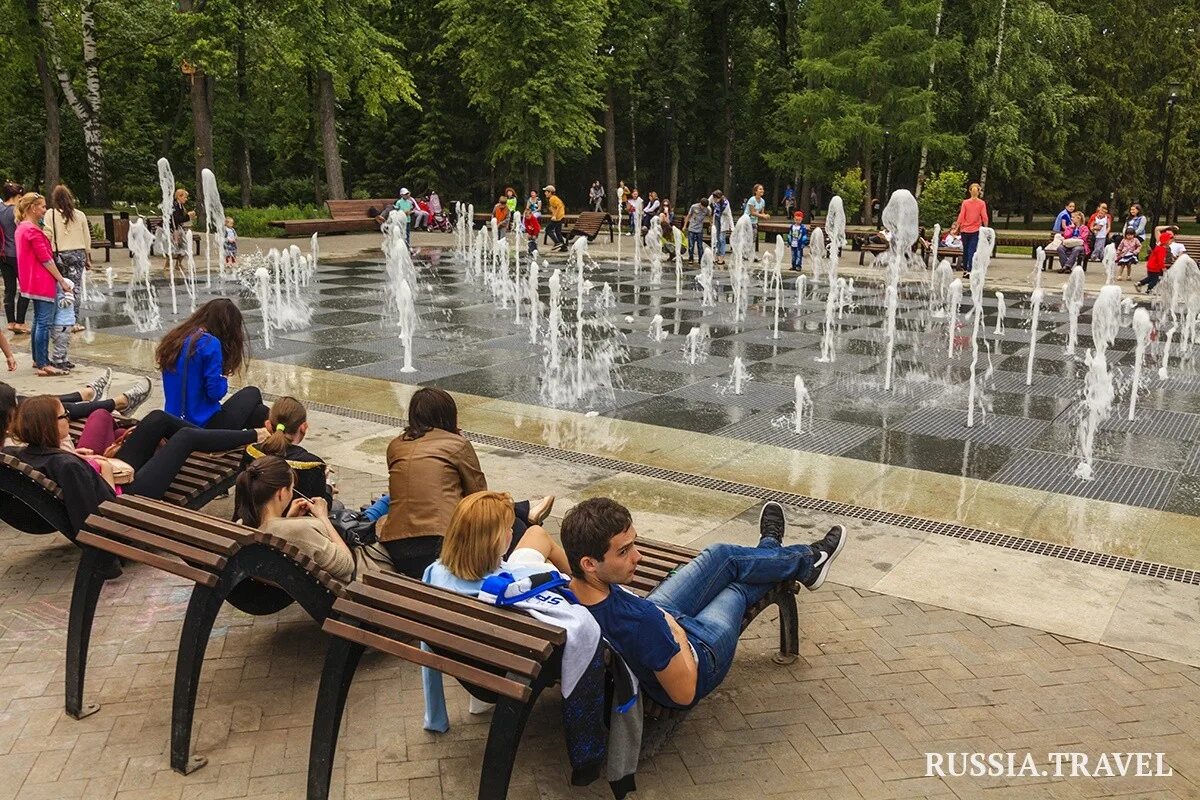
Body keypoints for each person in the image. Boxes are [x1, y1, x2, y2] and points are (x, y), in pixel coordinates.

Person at [561, 498, 847, 709]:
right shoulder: (642, 624)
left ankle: (787, 554)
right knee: (738, 588)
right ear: (589, 563)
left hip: (656, 617)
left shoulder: (564, 590)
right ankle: (789, 555)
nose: (638, 557)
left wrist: (664, 623)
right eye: (624, 551)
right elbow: (684, 693)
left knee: (723, 555)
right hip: (698, 652)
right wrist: (675, 630)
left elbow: (539, 538)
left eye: (634, 544)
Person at [3, 395, 262, 538]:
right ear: (47, 426)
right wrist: (94, 466)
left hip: (112, 476)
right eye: (64, 416)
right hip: (128, 499)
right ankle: (255, 436)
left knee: (157, 419)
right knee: (186, 438)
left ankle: (227, 439)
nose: (68, 419)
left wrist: (86, 459)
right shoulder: (65, 464)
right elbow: (97, 517)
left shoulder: (30, 453)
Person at [420, 490, 574, 730]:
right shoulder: (513, 585)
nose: (512, 533)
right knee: (542, 542)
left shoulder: (435, 572)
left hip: (474, 662)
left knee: (535, 534)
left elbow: (427, 642)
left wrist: (435, 716)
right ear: (492, 542)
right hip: (511, 670)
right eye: (508, 529)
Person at [381, 387, 554, 577]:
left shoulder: (395, 446)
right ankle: (527, 517)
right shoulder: (457, 444)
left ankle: (525, 511)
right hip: (442, 543)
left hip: (395, 545)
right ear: (449, 415)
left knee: (510, 523)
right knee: (516, 528)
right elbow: (479, 499)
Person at [234, 455, 357, 582]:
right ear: (281, 493)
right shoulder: (298, 530)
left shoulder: (242, 524)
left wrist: (288, 519)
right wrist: (323, 517)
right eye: (291, 488)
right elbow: (347, 566)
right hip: (342, 589)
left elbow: (279, 532)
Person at [156, 298, 268, 429]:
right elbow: (215, 393)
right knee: (252, 393)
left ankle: (256, 442)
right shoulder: (210, 343)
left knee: (258, 413)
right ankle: (274, 442)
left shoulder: (176, 338)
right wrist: (224, 376)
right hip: (203, 427)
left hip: (172, 423)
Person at [15, 192, 74, 377]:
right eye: (42, 206)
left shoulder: (21, 228)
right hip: (42, 281)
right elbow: (46, 259)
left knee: (38, 322)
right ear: (33, 208)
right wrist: (62, 281)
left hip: (30, 280)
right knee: (44, 322)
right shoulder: (32, 230)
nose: (45, 209)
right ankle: (43, 363)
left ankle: (37, 358)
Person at [244, 396, 333, 504]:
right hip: (293, 519)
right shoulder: (312, 464)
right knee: (338, 506)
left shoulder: (251, 451)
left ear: (268, 425)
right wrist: (328, 486)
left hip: (248, 518)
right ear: (303, 427)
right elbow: (321, 506)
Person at [43, 184, 90, 327]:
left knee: (60, 286)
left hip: (59, 254)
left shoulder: (50, 214)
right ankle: (73, 320)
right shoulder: (80, 215)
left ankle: (59, 318)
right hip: (78, 254)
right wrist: (87, 257)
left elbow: (47, 234)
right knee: (75, 287)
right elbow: (86, 238)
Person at [1, 182, 28, 335]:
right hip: (18, 254)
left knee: (9, 289)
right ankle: (20, 322)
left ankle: (10, 321)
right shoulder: (16, 211)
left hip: (3, 254)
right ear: (17, 196)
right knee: (25, 288)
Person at [954, 182, 989, 274]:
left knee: (965, 250)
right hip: (975, 230)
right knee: (972, 250)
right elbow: (984, 216)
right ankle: (970, 269)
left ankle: (965, 268)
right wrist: (986, 227)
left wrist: (957, 227)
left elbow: (961, 215)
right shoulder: (981, 203)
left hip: (964, 230)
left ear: (969, 191)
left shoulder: (965, 202)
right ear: (979, 192)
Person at [49, 270, 76, 372]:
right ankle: (57, 360)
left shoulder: (61, 297)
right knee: (60, 343)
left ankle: (64, 359)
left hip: (66, 325)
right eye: (71, 289)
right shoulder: (61, 298)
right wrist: (68, 293)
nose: (73, 291)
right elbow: (67, 302)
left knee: (65, 343)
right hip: (61, 325)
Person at [164, 188, 196, 272]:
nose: (186, 199)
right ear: (179, 196)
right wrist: (188, 216)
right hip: (172, 229)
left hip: (178, 228)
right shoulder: (174, 206)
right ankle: (167, 264)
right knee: (173, 247)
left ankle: (178, 264)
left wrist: (189, 216)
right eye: (185, 197)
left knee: (184, 245)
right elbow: (177, 219)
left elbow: (180, 219)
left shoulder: (180, 206)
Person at [683, 197, 710, 263]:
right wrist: (685, 226)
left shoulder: (707, 209)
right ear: (700, 203)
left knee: (700, 245)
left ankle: (701, 259)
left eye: (704, 207)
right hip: (691, 228)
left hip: (699, 230)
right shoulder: (694, 207)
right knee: (691, 245)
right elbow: (688, 216)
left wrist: (711, 224)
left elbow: (710, 216)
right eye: (702, 206)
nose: (703, 208)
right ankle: (691, 258)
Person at [710, 190, 731, 266]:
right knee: (716, 238)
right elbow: (708, 204)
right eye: (714, 198)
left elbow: (729, 215)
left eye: (716, 198)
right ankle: (716, 255)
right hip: (716, 220)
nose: (715, 200)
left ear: (720, 197)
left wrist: (732, 227)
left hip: (724, 221)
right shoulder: (712, 198)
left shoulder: (726, 204)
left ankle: (721, 257)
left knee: (722, 239)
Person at [543, 185, 567, 252]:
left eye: (546, 192)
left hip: (557, 218)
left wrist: (555, 216)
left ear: (550, 192)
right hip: (560, 217)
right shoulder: (554, 198)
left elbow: (559, 206)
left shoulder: (552, 198)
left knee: (548, 229)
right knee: (557, 232)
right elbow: (562, 205)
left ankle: (557, 243)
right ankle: (564, 247)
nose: (545, 193)